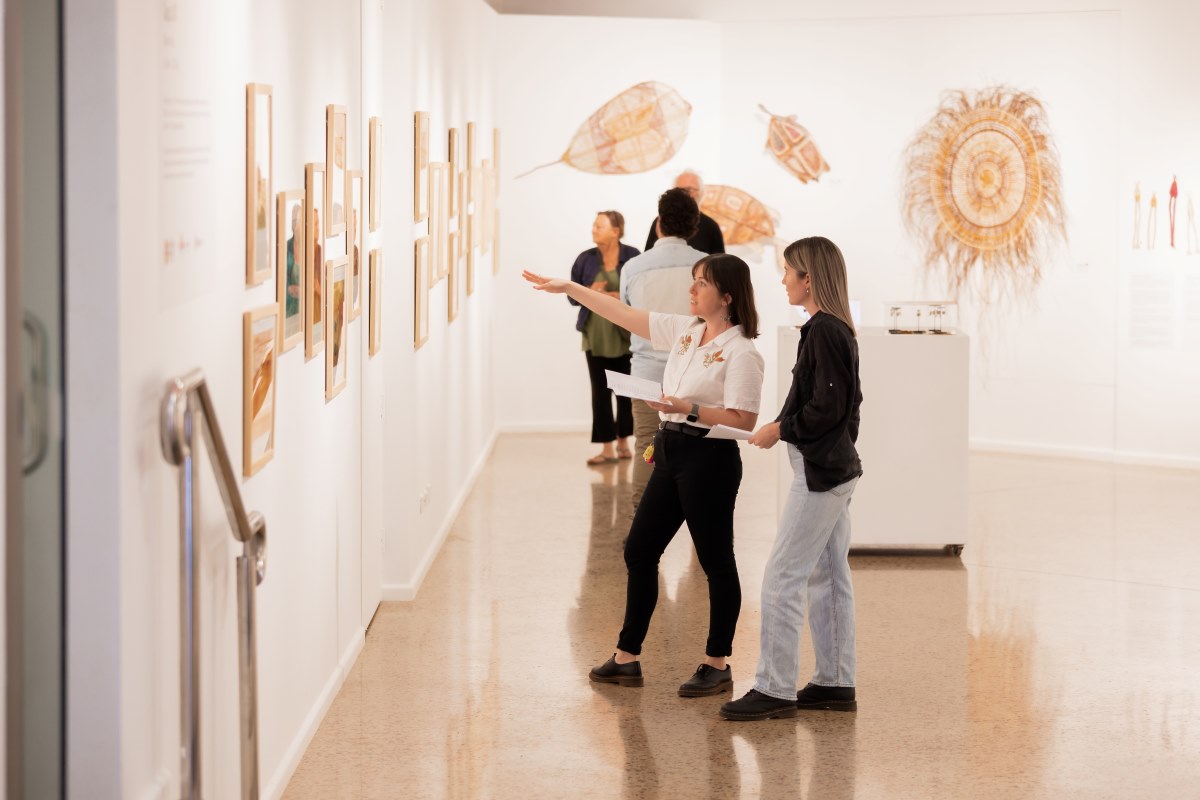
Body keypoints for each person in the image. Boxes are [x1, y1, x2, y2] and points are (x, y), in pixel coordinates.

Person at [523, 253, 765, 698]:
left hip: (709, 459)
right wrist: (572, 290)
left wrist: (687, 407)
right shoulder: (687, 331)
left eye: (701, 284)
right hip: (671, 448)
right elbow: (624, 314)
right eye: (693, 281)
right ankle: (626, 657)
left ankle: (717, 662)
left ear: (727, 297)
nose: (692, 290)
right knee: (639, 549)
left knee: (716, 561)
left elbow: (744, 420)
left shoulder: (741, 350)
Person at [719, 236, 864, 722]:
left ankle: (775, 689)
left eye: (787, 272)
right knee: (828, 576)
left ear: (809, 278)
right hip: (835, 468)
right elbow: (846, 409)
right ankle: (835, 682)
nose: (781, 280)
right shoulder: (834, 329)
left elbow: (827, 408)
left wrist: (779, 429)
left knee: (782, 576)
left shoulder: (824, 330)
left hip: (822, 474)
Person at [621, 188, 708, 508]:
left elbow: (627, 316)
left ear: (659, 223)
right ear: (693, 225)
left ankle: (641, 527)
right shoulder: (707, 266)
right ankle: (700, 525)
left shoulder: (633, 268)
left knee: (646, 443)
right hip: (697, 374)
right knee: (700, 447)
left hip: (647, 373)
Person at [569, 211, 641, 465]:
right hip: (595, 337)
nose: (593, 229)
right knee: (600, 393)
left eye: (599, 226)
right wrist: (590, 291)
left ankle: (624, 443)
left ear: (616, 230)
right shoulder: (585, 260)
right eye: (594, 225)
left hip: (624, 337)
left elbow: (642, 295)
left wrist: (614, 297)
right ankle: (607, 448)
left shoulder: (633, 258)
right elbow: (571, 296)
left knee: (625, 392)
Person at [645, 170, 725, 255]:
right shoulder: (660, 222)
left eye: (689, 189)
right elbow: (647, 257)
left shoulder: (711, 226)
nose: (685, 194)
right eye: (680, 190)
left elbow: (719, 265)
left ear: (701, 192)